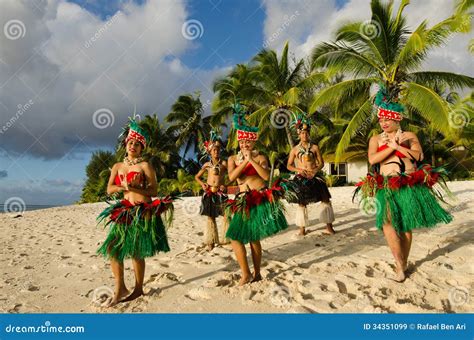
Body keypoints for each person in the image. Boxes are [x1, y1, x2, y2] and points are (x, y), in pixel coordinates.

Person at [355, 84, 453, 282]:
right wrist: (391, 148)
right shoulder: (375, 139)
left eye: (387, 119)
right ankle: (399, 263)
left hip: (409, 183)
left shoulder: (409, 136)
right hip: (387, 185)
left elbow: (419, 155)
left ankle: (403, 262)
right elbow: (373, 160)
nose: (383, 122)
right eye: (381, 119)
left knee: (406, 226)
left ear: (397, 118)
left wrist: (398, 146)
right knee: (388, 222)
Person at [97, 116, 174, 305]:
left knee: (137, 252)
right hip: (125, 211)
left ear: (142, 148)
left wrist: (133, 188)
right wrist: (123, 188)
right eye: (130, 143)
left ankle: (138, 288)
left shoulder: (145, 165)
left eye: (137, 144)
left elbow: (154, 191)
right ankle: (121, 287)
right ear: (125, 144)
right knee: (113, 249)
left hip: (142, 211)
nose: (133, 146)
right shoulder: (117, 166)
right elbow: (109, 189)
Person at [225, 103, 288, 285]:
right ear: (238, 141)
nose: (245, 144)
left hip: (259, 198)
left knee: (253, 238)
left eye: (248, 141)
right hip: (242, 200)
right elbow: (231, 178)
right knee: (235, 238)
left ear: (254, 141)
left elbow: (266, 176)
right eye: (242, 141)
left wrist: (251, 159)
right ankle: (245, 273)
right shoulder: (232, 159)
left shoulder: (261, 157)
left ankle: (257, 272)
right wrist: (244, 162)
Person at [283, 113, 335, 236]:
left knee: (325, 199)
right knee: (302, 202)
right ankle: (302, 229)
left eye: (306, 133)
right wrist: (299, 170)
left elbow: (321, 163)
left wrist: (315, 171)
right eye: (302, 133)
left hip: (314, 176)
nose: (304, 135)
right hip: (301, 177)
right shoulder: (295, 149)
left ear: (309, 133)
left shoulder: (315, 147)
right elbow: (288, 165)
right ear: (298, 134)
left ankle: (329, 227)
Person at [195, 130, 229, 251]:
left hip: (221, 192)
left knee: (226, 214)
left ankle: (227, 238)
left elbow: (232, 176)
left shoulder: (224, 164)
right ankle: (211, 241)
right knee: (211, 216)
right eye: (214, 150)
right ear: (209, 152)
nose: (216, 151)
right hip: (209, 192)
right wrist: (202, 184)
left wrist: (225, 185)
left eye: (218, 149)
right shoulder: (206, 165)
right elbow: (197, 177)